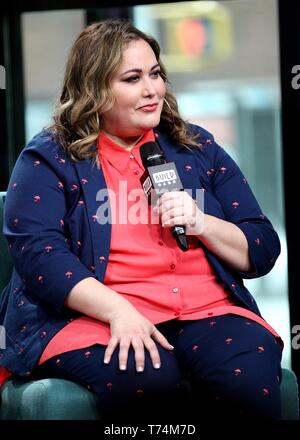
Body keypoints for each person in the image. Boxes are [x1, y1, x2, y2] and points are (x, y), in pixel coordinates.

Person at [0, 18, 283, 421]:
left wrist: (202, 222)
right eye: (132, 79)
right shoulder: (51, 156)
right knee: (148, 379)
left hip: (207, 311)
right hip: (94, 316)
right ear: (94, 88)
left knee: (247, 383)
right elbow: (40, 255)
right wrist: (118, 310)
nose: (151, 90)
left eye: (155, 74)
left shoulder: (195, 147)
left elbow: (262, 246)